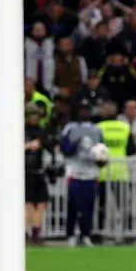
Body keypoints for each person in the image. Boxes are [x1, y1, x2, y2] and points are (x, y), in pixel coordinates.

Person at [60, 98, 105, 247]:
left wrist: (100, 160)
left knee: (89, 205)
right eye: (82, 109)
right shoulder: (70, 128)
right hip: (75, 171)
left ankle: (86, 234)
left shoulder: (97, 130)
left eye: (87, 109)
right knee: (74, 205)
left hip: (91, 173)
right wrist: (75, 143)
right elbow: (64, 150)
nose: (85, 112)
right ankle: (71, 234)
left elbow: (102, 152)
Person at [96, 100, 136, 243]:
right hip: (120, 172)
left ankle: (98, 235)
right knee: (124, 206)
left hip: (102, 172)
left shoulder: (98, 128)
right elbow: (132, 150)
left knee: (101, 206)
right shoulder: (125, 127)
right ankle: (129, 235)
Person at [24, 103, 51, 244]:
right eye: (31, 115)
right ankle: (24, 233)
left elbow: (48, 145)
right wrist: (28, 146)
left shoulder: (42, 132)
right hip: (26, 172)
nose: (34, 118)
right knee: (27, 204)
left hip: (38, 171)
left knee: (41, 203)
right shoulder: (20, 131)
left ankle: (35, 233)